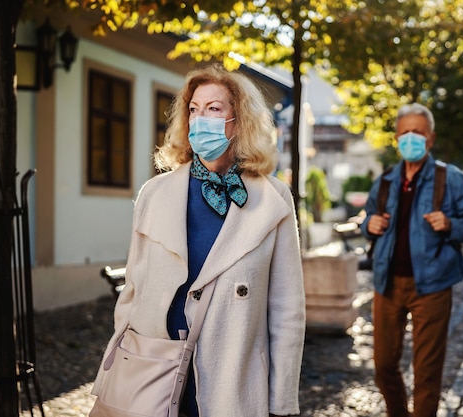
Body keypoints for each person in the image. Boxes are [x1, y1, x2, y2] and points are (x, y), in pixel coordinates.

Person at [90, 64, 306, 417]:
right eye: (194, 109)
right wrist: (126, 357)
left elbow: (286, 310)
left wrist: (281, 402)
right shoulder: (155, 193)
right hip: (154, 366)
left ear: (239, 122)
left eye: (214, 109)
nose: (199, 118)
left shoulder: (273, 200)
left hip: (231, 377)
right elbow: (132, 289)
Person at [360, 103, 463, 417]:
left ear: (430, 139)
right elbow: (368, 219)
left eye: (418, 132)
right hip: (387, 282)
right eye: (405, 132)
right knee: (384, 366)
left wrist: (451, 224)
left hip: (432, 284)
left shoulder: (450, 178)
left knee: (426, 372)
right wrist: (369, 225)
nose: (411, 138)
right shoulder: (387, 180)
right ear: (396, 138)